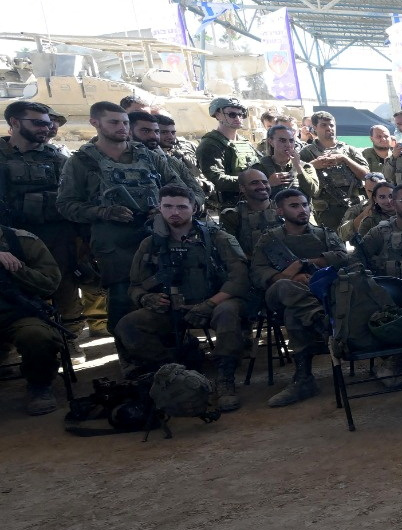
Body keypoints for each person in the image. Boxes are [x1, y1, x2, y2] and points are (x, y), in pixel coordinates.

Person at [56, 101, 185, 346]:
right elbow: (66, 205)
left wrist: (165, 208)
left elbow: (177, 187)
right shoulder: (81, 162)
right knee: (122, 297)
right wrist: (104, 212)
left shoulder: (147, 155)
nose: (122, 128)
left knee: (168, 291)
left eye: (125, 122)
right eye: (114, 122)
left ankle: (170, 350)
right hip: (114, 242)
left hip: (157, 234)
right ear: (95, 123)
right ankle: (130, 357)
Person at [118, 185, 250, 410]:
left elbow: (239, 280)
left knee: (227, 312)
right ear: (159, 208)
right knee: (129, 324)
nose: (174, 212)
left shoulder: (217, 238)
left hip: (215, 303)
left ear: (194, 208)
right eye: (167, 206)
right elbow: (135, 285)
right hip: (171, 308)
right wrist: (145, 299)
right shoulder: (150, 244)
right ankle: (173, 372)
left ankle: (225, 377)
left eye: (181, 206)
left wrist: (209, 304)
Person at [251, 187, 346, 407]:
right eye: (294, 206)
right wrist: (288, 275)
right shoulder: (269, 240)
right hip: (280, 294)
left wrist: (307, 265)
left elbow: (343, 257)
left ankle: (304, 378)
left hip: (317, 294)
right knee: (286, 287)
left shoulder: (324, 234)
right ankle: (322, 323)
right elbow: (257, 272)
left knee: (296, 313)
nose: (302, 210)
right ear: (279, 211)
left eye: (304, 204)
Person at [1, 101, 86, 342]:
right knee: (11, 281)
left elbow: (74, 198)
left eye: (47, 124)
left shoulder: (58, 158)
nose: (45, 129)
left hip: (55, 233)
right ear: (15, 123)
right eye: (37, 123)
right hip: (9, 234)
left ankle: (70, 339)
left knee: (64, 282)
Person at [0, 214, 65, 414]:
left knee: (37, 336)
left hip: (19, 314)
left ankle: (39, 386)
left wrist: (15, 268)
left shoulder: (21, 240)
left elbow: (50, 283)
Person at [299, 111, 368, 232]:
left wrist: (344, 159)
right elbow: (297, 175)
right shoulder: (306, 152)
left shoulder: (349, 150)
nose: (329, 128)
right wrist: (313, 165)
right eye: (323, 125)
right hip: (326, 209)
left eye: (331, 125)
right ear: (315, 127)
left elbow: (367, 175)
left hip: (353, 205)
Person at [195, 97, 260, 211]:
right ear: (218, 115)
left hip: (255, 200)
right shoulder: (210, 144)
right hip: (231, 207)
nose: (238, 118)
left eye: (241, 115)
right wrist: (253, 184)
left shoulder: (244, 142)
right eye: (232, 114)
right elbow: (217, 179)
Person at [258, 125, 319, 201]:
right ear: (271, 141)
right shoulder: (259, 168)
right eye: (282, 140)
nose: (288, 145)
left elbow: (313, 191)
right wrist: (268, 184)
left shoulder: (305, 167)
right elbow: (249, 194)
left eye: (291, 140)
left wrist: (298, 166)